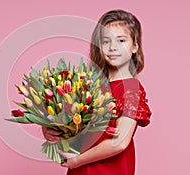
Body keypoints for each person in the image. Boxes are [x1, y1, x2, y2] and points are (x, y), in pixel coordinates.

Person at [42, 9, 152, 175]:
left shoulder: (131, 89)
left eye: (121, 40)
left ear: (135, 46)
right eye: (106, 41)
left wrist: (78, 160)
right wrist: (51, 131)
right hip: (80, 169)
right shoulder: (89, 85)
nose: (113, 47)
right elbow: (73, 128)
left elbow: (119, 143)